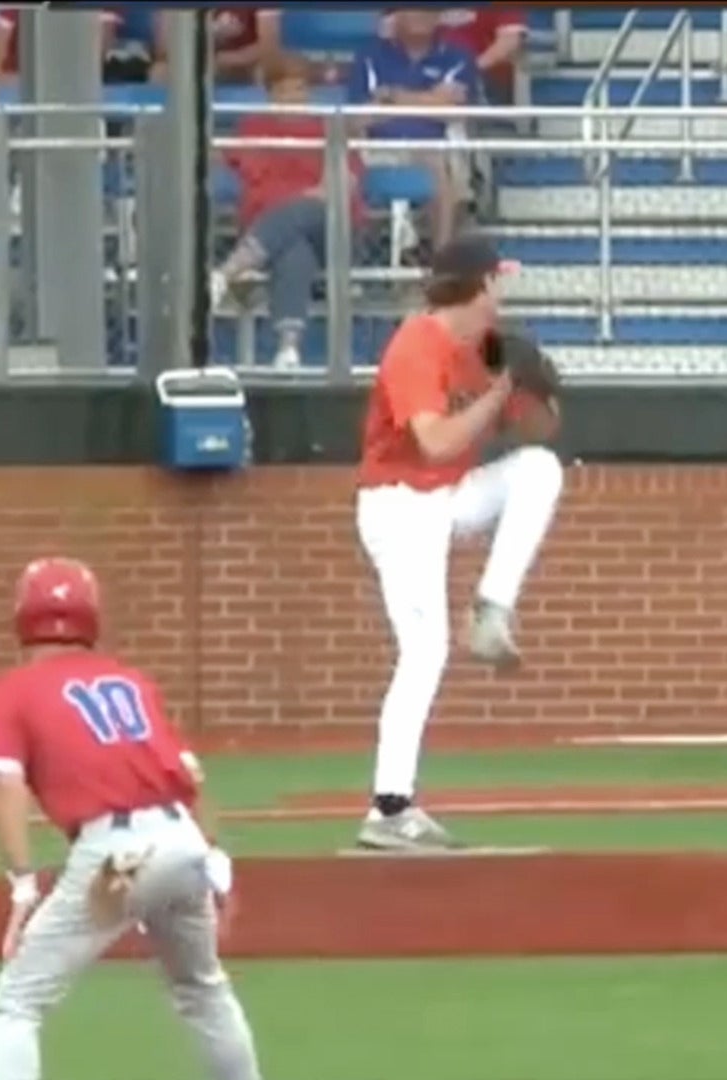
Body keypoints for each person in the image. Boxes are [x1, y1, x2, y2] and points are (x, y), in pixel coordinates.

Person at [0, 558, 262, 1080]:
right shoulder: (130, 682)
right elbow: (188, 777)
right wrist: (215, 862)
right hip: (183, 841)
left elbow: (6, 786)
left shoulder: (12, 690)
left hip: (121, 857)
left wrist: (21, 887)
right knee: (203, 989)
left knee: (16, 1001)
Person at [354, 233, 565, 851]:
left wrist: (534, 391)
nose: (503, 292)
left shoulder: (489, 346)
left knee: (538, 469)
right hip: (397, 503)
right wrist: (498, 396)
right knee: (423, 652)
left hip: (444, 497)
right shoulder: (417, 345)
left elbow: (545, 430)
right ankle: (390, 808)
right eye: (497, 280)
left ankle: (492, 609)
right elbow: (436, 443)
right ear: (476, 285)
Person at [212, 53, 367, 369]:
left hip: (330, 232)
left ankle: (225, 273)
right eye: (284, 90)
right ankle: (288, 348)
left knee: (305, 212)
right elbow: (219, 160)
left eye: (299, 89)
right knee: (295, 251)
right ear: (270, 95)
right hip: (272, 235)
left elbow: (341, 186)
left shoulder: (330, 128)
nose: (293, 97)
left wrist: (309, 197)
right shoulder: (253, 127)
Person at [349, 9, 478, 250]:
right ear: (395, 15)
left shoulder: (457, 56)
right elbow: (358, 118)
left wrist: (392, 97)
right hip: (376, 146)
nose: (421, 13)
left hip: (433, 145)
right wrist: (432, 99)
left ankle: (441, 263)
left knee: (439, 168)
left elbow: (455, 112)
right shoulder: (370, 56)